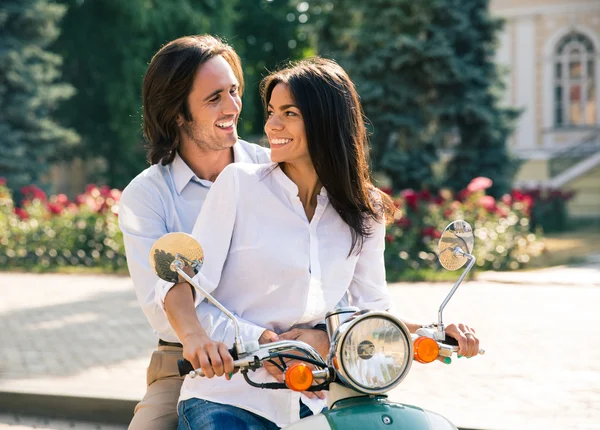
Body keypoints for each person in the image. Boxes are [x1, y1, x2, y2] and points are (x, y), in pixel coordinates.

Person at [157, 58, 481, 430]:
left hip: (311, 402)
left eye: (289, 113)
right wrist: (260, 340)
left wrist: (435, 332)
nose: (271, 126)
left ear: (325, 121)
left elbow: (371, 310)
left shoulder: (366, 210)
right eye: (272, 112)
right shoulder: (238, 185)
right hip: (228, 397)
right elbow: (189, 292)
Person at [118, 35, 282, 430]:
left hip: (284, 353)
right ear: (177, 113)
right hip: (188, 362)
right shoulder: (146, 195)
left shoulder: (275, 169)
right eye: (214, 99)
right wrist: (249, 337)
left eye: (234, 91)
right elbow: (163, 309)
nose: (233, 107)